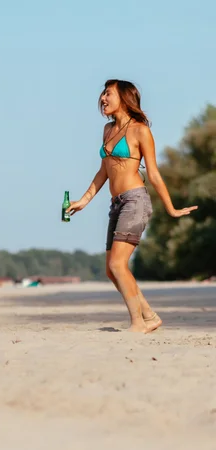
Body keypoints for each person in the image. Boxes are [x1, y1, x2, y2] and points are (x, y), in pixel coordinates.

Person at [67, 79, 198, 332]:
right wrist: (83, 200)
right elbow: (103, 172)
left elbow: (155, 174)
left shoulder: (140, 131)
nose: (103, 98)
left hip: (135, 200)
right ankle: (149, 315)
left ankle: (138, 322)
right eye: (102, 94)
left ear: (124, 98)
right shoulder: (107, 130)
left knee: (118, 265)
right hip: (116, 203)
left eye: (108, 94)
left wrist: (171, 209)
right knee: (110, 270)